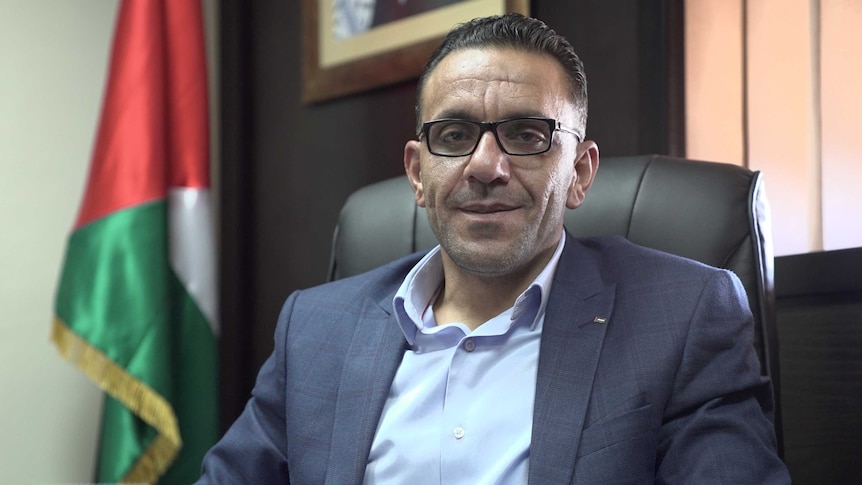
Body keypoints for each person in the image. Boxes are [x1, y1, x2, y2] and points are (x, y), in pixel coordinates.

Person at [195, 13, 790, 483]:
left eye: (527, 135)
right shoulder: (315, 329)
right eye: (453, 136)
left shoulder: (683, 315)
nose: (485, 166)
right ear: (418, 174)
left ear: (580, 173)